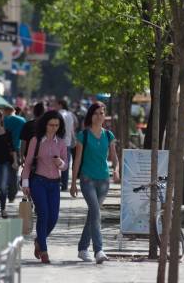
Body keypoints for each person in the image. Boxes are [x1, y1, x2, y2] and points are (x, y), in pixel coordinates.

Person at [70, 101, 120, 264]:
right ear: (91, 115)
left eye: (102, 113)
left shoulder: (108, 135)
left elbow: (114, 157)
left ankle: (82, 249)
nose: (99, 116)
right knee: (96, 213)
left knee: (93, 214)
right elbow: (77, 160)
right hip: (87, 179)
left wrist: (117, 170)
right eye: (96, 113)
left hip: (104, 180)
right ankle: (99, 250)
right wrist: (73, 182)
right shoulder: (83, 135)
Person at [21, 110, 67, 264]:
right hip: (38, 182)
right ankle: (44, 251)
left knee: (53, 218)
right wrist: (25, 183)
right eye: (51, 125)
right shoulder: (36, 140)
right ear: (45, 124)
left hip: (54, 184)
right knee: (43, 215)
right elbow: (28, 163)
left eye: (56, 125)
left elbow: (66, 165)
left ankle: (39, 240)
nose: (53, 128)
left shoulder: (61, 142)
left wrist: (60, 162)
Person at [3, 105, 26, 202]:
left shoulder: (3, 120)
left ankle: (5, 192)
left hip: (4, 148)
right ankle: (12, 195)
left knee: (4, 172)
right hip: (17, 148)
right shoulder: (22, 120)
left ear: (6, 111)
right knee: (14, 172)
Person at [55, 99, 76, 191]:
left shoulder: (58, 114)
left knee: (55, 162)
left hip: (57, 142)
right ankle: (64, 184)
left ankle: (56, 182)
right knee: (65, 163)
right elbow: (72, 129)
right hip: (67, 141)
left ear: (60, 104)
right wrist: (74, 139)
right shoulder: (70, 114)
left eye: (56, 104)